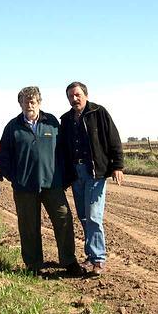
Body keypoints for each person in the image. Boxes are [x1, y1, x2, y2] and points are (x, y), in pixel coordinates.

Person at [0, 86, 84, 277]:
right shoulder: (12, 127)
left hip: (52, 185)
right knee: (28, 226)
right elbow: (3, 158)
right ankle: (34, 264)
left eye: (33, 101)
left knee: (64, 220)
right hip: (24, 188)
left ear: (39, 102)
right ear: (20, 104)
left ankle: (69, 261)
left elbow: (64, 152)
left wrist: (64, 178)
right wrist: (16, 178)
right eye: (25, 101)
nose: (29, 104)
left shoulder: (52, 123)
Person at [59, 81, 124, 276]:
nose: (74, 99)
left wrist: (117, 165)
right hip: (76, 173)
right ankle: (90, 256)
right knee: (84, 216)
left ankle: (98, 259)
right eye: (70, 96)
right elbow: (62, 149)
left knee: (94, 215)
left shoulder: (99, 112)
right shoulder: (66, 119)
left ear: (85, 94)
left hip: (95, 171)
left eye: (77, 95)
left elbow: (114, 138)